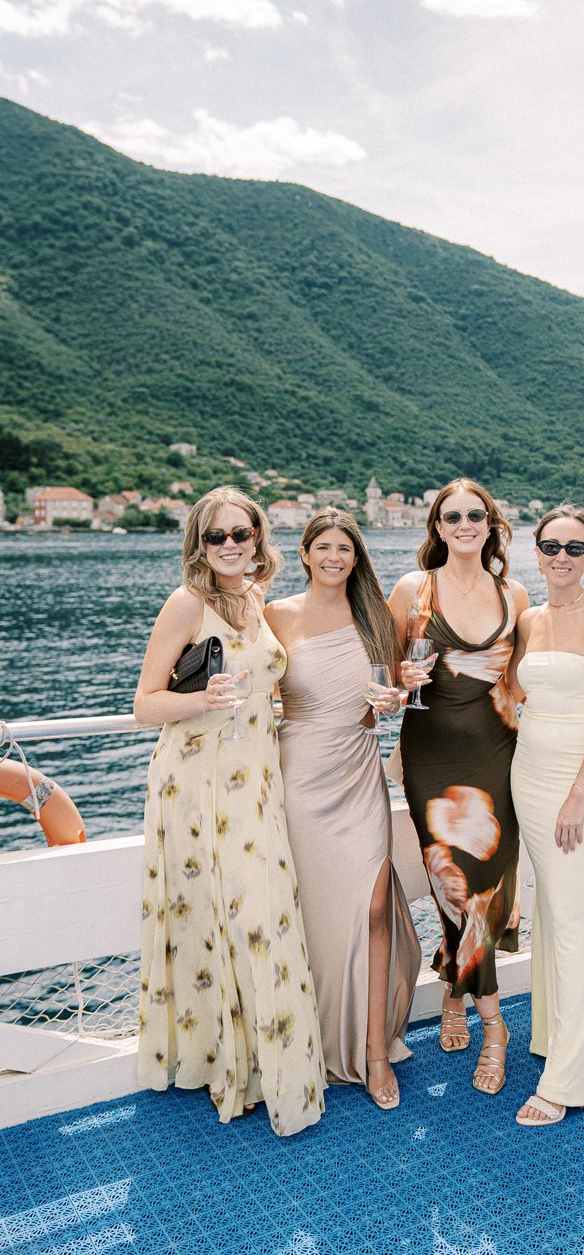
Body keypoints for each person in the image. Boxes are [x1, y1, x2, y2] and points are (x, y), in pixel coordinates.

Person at [133, 486, 326, 1136]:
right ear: (199, 544)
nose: (231, 546)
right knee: (226, 919)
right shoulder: (185, 604)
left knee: (261, 915)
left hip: (257, 783)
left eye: (242, 534)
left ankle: (258, 1065)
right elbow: (145, 705)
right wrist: (200, 700)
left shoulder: (255, 599)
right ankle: (227, 1066)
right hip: (197, 786)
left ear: (258, 539)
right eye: (218, 537)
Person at [266, 508, 420, 1112]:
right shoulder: (275, 614)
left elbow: (396, 691)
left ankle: (375, 1053)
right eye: (323, 547)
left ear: (357, 558)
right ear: (304, 553)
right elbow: (256, 685)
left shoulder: (376, 615)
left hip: (358, 770)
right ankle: (311, 1038)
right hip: (300, 772)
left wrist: (394, 699)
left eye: (345, 549)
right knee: (313, 910)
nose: (334, 557)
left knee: (374, 906)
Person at [389, 479, 529, 1096]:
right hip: (430, 758)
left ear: (490, 524)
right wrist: (398, 677)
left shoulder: (516, 594)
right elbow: (393, 681)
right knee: (454, 885)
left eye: (476, 514)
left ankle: (454, 986)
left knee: (486, 887)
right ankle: (494, 1025)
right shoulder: (411, 591)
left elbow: (524, 683)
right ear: (438, 527)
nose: (465, 523)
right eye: (453, 516)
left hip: (500, 757)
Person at [508, 505, 584, 1125]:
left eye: (574, 548)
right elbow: (512, 694)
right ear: (537, 552)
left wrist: (581, 789)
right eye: (551, 546)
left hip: (581, 780)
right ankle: (556, 1037)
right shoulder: (528, 618)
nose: (561, 557)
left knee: (575, 916)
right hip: (527, 773)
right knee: (550, 912)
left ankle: (572, 1080)